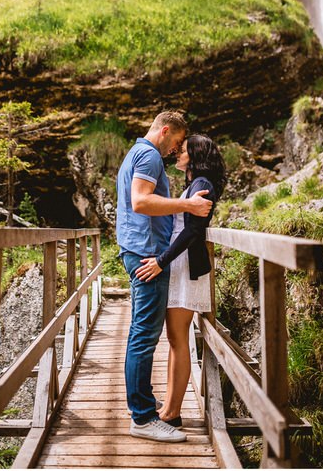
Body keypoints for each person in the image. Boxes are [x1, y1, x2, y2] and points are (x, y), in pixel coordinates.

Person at [115, 111, 213, 443]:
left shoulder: (136, 152)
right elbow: (141, 201)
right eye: (175, 143)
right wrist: (186, 206)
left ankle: (142, 404)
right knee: (143, 337)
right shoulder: (148, 155)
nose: (175, 150)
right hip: (146, 253)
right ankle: (143, 418)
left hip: (137, 250)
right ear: (166, 130)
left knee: (140, 334)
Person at [134, 134, 225, 429]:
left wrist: (161, 262)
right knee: (175, 340)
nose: (177, 153)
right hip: (179, 260)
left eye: (183, 150)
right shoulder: (196, 184)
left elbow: (192, 232)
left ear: (196, 155)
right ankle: (170, 407)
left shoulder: (202, 185)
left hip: (184, 263)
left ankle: (172, 411)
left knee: (178, 339)